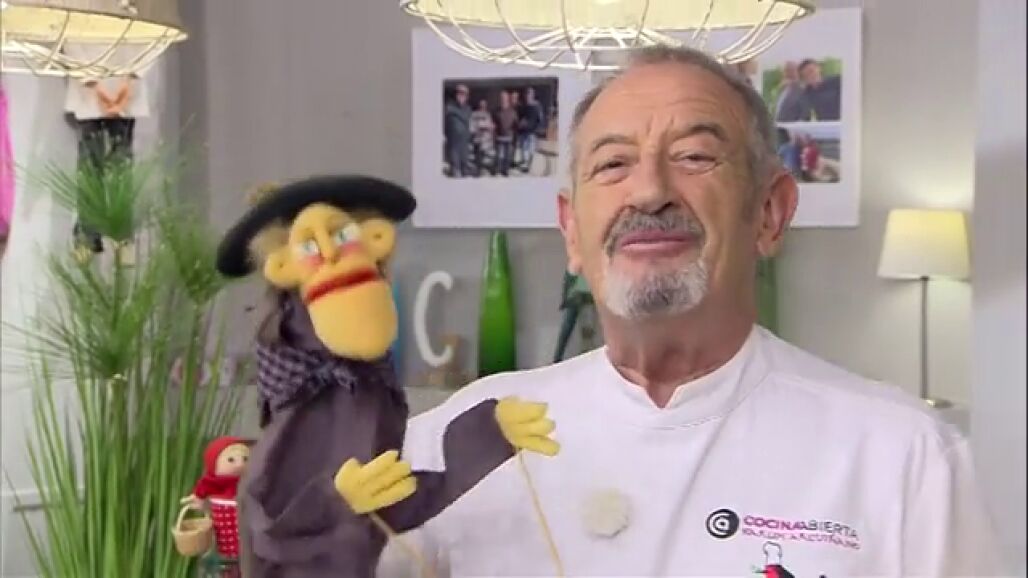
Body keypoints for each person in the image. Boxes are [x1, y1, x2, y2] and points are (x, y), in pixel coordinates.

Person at [384, 45, 1007, 576]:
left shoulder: (905, 457)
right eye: (613, 164)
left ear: (769, 213)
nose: (650, 191)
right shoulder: (462, 437)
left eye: (694, 156)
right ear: (571, 230)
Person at [443, 84, 472, 177]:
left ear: (466, 96)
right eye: (458, 93)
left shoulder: (467, 108)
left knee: (464, 163)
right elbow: (446, 120)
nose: (460, 96)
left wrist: (454, 111)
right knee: (454, 164)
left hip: (463, 140)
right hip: (453, 140)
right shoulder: (450, 106)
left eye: (463, 94)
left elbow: (466, 117)